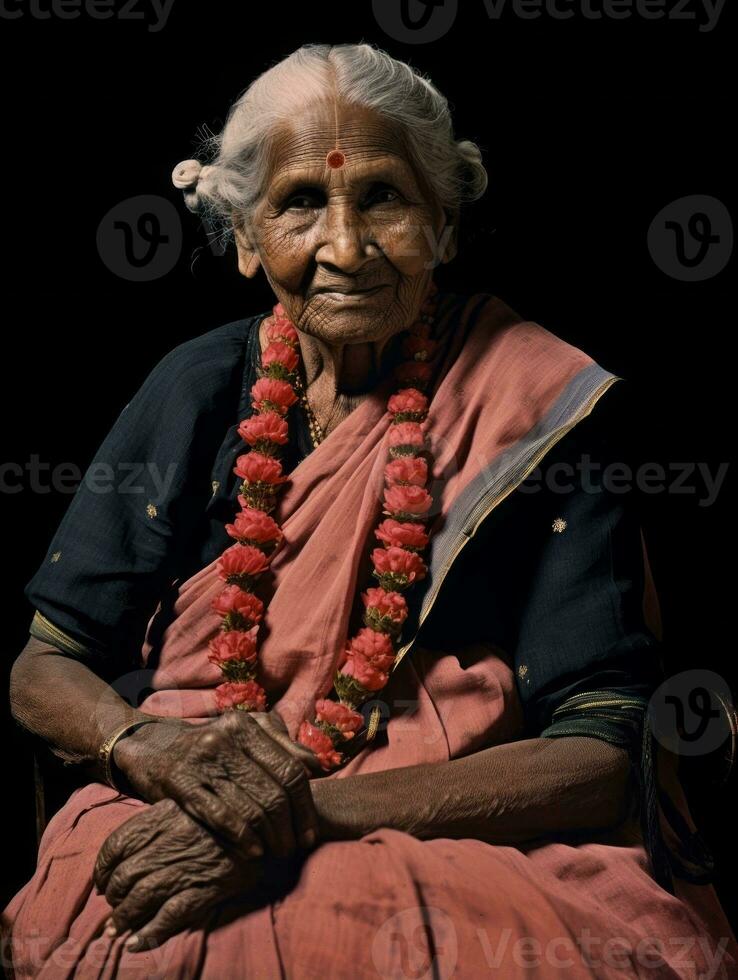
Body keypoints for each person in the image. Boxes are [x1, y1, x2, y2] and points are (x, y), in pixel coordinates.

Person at [4, 42, 736, 979]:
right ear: (243, 237)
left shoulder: (536, 401)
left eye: (383, 198)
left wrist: (294, 817)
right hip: (182, 787)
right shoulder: (193, 387)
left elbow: (600, 749)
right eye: (300, 202)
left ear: (445, 223)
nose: (345, 249)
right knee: (143, 923)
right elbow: (46, 663)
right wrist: (154, 752)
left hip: (458, 823)